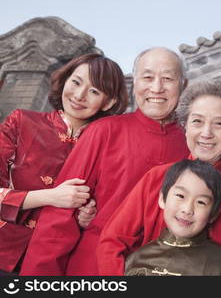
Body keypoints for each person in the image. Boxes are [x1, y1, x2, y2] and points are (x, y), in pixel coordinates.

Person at [20, 47, 190, 276]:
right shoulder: (104, 131)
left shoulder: (191, 143)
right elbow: (59, 217)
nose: (156, 88)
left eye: (168, 78)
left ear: (183, 85)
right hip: (91, 268)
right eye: (147, 77)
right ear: (135, 83)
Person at [97, 80, 221, 276]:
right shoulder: (157, 178)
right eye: (197, 121)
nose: (206, 133)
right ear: (185, 126)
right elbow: (112, 243)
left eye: (219, 123)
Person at [0, 53, 128, 275]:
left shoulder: (106, 148)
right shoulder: (21, 122)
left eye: (94, 91)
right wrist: (50, 197)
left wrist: (87, 218)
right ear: (65, 79)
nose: (79, 95)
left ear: (109, 102)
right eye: (76, 82)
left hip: (54, 264)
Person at [125, 159, 221, 276]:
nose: (187, 210)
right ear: (162, 199)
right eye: (180, 196)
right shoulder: (137, 260)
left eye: (201, 202)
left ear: (213, 214)